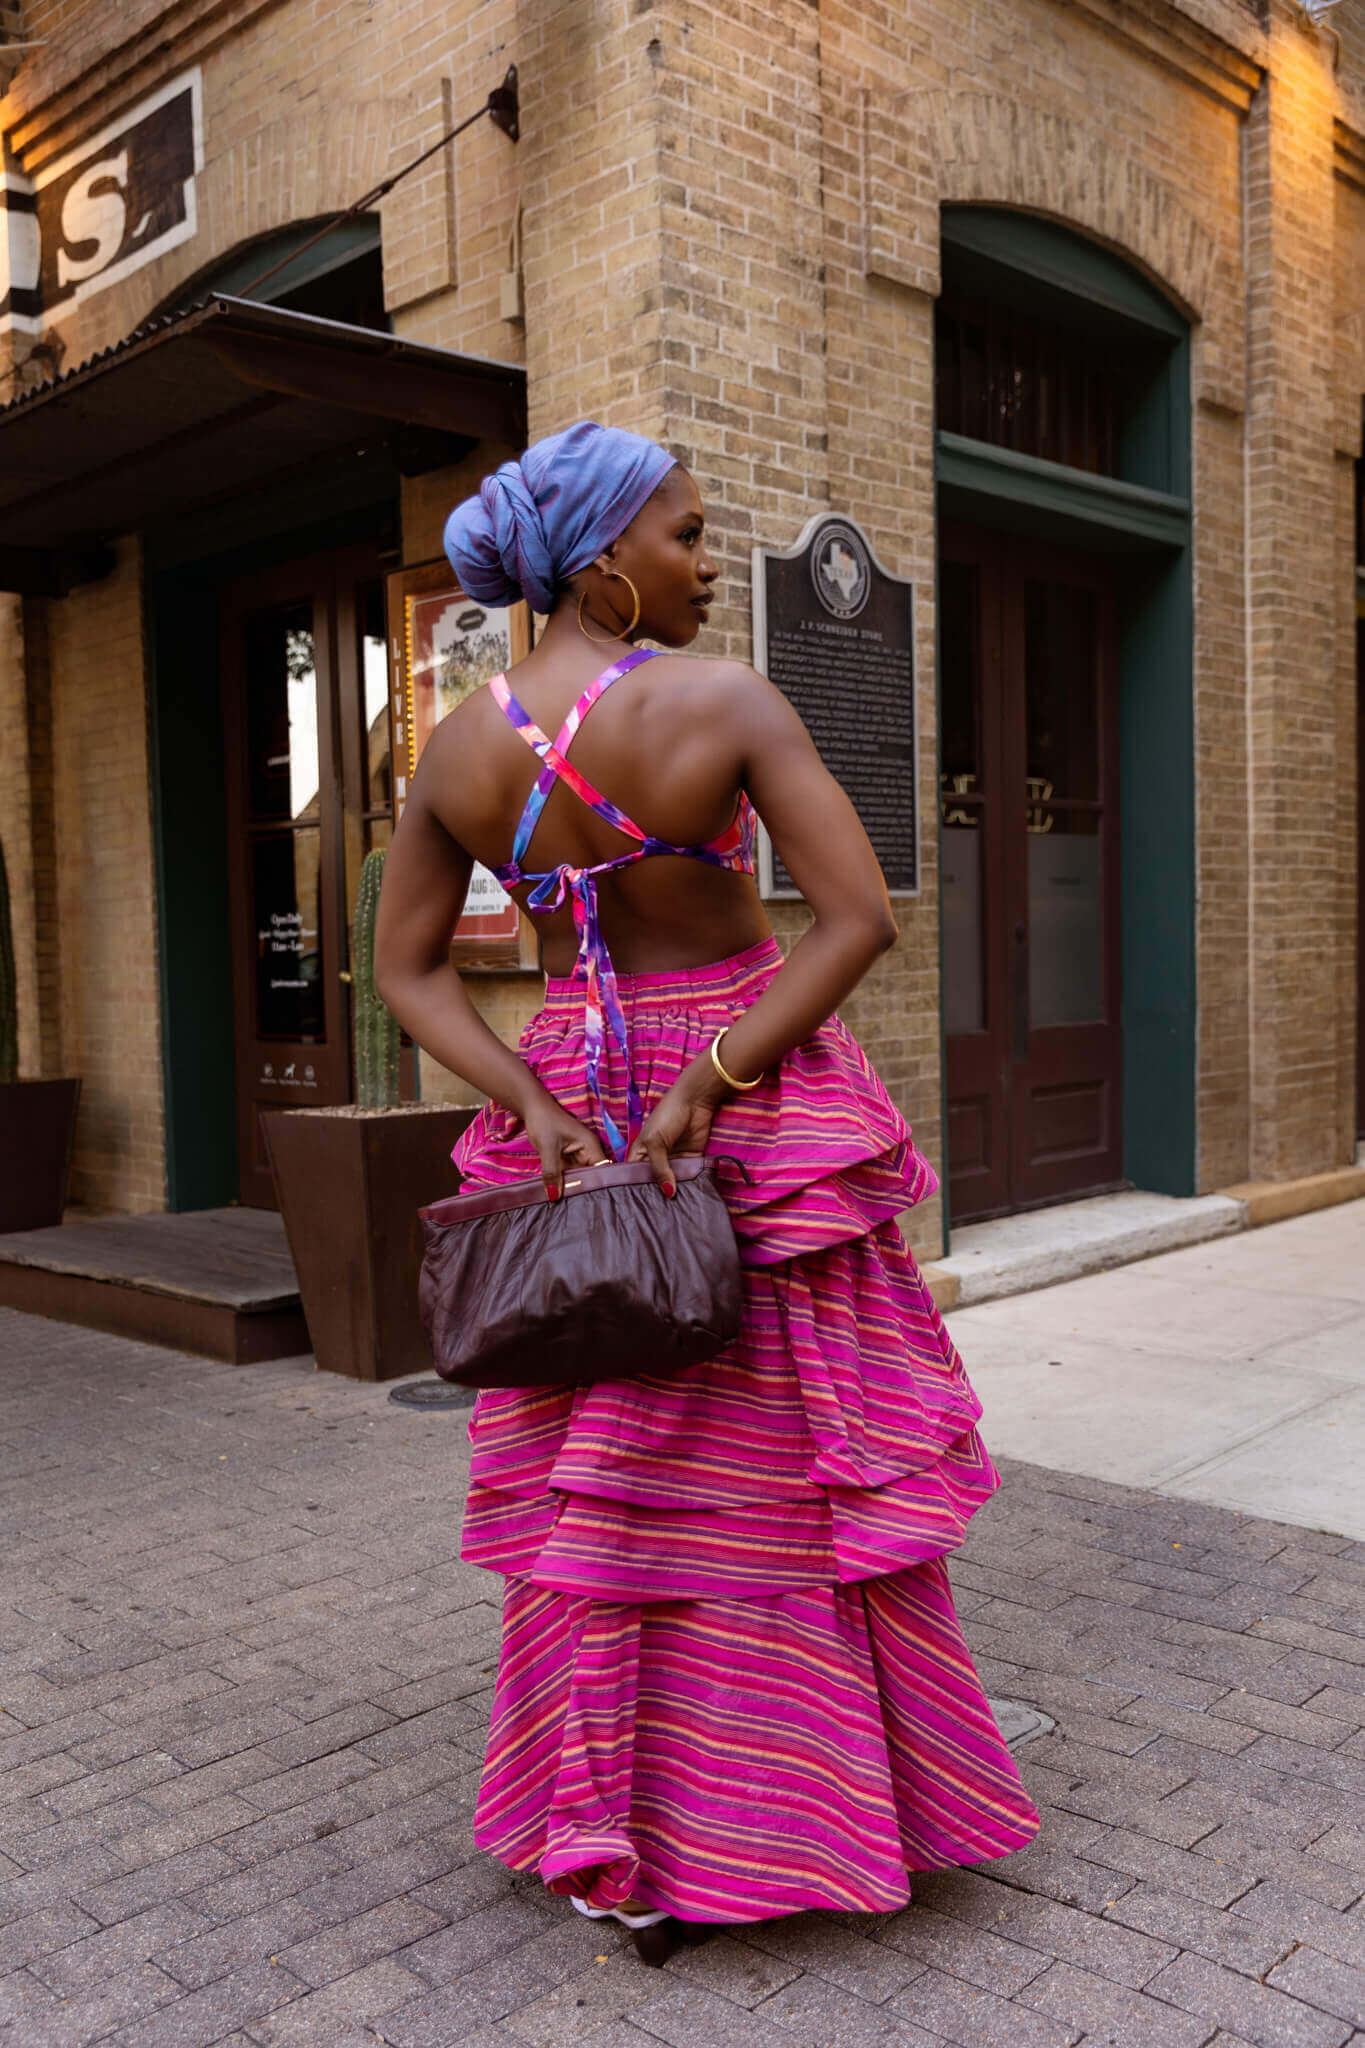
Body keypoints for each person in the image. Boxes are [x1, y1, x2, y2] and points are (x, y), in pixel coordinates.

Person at [374, 419, 1039, 1965]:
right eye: (680, 536)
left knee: (603, 1502)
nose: (697, 563)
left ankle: (628, 1835)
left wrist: (531, 1095)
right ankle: (790, 1814)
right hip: (739, 1099)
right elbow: (856, 917)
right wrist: (715, 1080)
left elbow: (402, 968)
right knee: (781, 1488)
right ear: (601, 559)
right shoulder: (722, 703)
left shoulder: (460, 747)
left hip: (578, 1109)